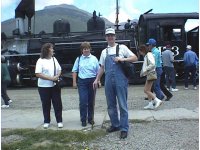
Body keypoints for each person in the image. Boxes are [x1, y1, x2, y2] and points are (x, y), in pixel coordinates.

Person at [93, 27, 138, 139]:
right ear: (106, 38)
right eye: (108, 35)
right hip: (108, 80)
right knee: (111, 105)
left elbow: (135, 58)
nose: (110, 37)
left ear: (115, 36)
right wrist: (97, 79)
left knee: (122, 105)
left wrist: (123, 59)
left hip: (120, 79)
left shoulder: (122, 47)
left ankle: (124, 128)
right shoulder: (104, 52)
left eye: (112, 35)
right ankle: (115, 125)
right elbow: (102, 67)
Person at [35, 43, 63, 129]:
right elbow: (38, 74)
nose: (53, 50)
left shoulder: (54, 59)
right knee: (46, 104)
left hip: (54, 86)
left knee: (57, 103)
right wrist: (51, 78)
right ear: (47, 50)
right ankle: (46, 121)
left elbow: (59, 69)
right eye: (51, 48)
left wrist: (57, 77)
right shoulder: (40, 61)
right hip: (43, 87)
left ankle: (59, 121)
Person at [72, 41, 100, 127]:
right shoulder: (79, 59)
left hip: (92, 81)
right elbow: (74, 71)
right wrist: (74, 82)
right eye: (84, 49)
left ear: (90, 49)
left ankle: (90, 119)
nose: (86, 50)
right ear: (82, 50)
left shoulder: (94, 59)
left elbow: (98, 71)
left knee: (91, 102)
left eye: (87, 48)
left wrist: (98, 81)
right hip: (82, 82)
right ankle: (83, 119)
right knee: (83, 101)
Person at [139, 45, 163, 109]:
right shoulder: (148, 55)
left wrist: (145, 70)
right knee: (148, 90)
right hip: (150, 73)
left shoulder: (148, 55)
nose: (140, 53)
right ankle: (150, 104)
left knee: (146, 90)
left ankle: (157, 100)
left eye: (140, 52)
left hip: (150, 73)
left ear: (142, 51)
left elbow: (152, 64)